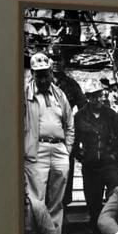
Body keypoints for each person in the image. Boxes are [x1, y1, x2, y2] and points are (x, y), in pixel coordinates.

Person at [24, 52, 74, 234]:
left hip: (59, 150)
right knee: (36, 200)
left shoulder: (59, 94)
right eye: (39, 74)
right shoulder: (24, 95)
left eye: (46, 73)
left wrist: (66, 149)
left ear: (51, 73)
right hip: (37, 151)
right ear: (32, 74)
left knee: (57, 199)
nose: (43, 78)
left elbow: (69, 124)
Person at [73, 79, 118, 232]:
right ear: (88, 97)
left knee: (116, 190)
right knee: (92, 199)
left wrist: (115, 155)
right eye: (95, 96)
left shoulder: (110, 114)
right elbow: (74, 139)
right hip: (90, 165)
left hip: (109, 163)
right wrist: (80, 156)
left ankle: (114, 222)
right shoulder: (80, 116)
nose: (99, 99)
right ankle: (96, 227)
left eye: (101, 95)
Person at [50, 55, 87, 221]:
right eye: (52, 58)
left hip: (65, 139)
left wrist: (78, 137)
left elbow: (83, 110)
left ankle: (62, 216)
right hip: (43, 137)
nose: (56, 62)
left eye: (59, 59)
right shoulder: (40, 81)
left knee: (65, 175)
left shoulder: (72, 85)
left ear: (64, 62)